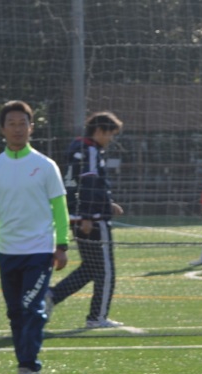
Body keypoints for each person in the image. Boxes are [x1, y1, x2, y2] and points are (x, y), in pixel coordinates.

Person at [0, 100, 70, 374]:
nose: (17, 129)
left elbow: (59, 207)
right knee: (15, 312)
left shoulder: (45, 166)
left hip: (39, 251)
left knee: (32, 308)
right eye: (12, 124)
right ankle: (24, 363)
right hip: (8, 252)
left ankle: (29, 365)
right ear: (2, 129)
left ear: (31, 127)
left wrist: (62, 245)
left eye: (22, 123)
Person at [50, 111, 124, 329]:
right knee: (106, 270)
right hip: (93, 220)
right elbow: (88, 184)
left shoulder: (79, 149)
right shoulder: (90, 150)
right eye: (110, 134)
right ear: (99, 131)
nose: (111, 139)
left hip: (77, 215)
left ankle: (52, 296)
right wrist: (89, 215)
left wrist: (107, 203)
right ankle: (97, 317)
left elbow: (82, 185)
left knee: (91, 268)